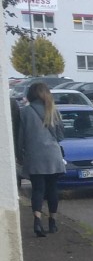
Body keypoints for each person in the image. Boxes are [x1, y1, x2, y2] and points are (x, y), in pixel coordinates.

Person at [15, 81, 64, 237]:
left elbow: (20, 138)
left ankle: (37, 221)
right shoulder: (53, 111)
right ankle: (53, 222)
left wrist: (20, 156)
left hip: (35, 156)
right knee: (52, 189)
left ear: (30, 94)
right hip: (53, 156)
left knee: (38, 189)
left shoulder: (25, 112)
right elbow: (61, 136)